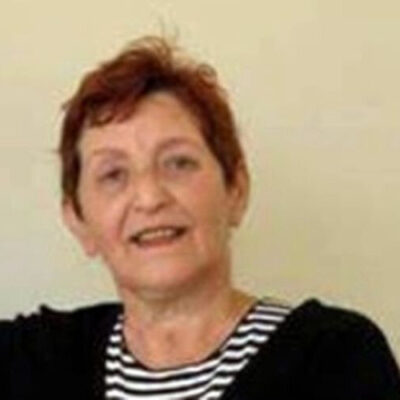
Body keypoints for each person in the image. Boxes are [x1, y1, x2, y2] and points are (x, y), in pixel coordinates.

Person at [1, 36, 399, 400]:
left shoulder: (334, 358)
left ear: (236, 190)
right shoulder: (30, 360)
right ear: (78, 220)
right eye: (113, 174)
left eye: (178, 163)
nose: (149, 197)